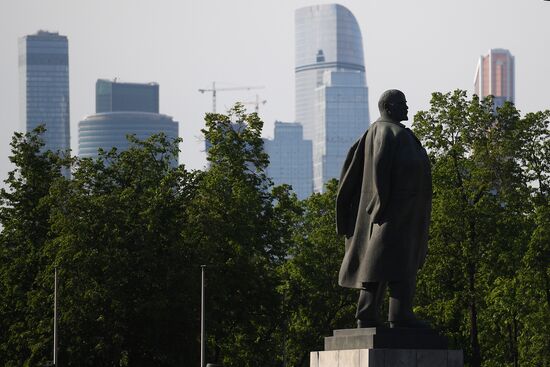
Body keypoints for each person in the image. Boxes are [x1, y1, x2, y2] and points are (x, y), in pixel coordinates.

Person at [336, 89, 432, 328]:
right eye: (402, 104)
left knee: (386, 261)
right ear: (389, 107)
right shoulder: (387, 131)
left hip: (400, 209)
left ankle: (375, 313)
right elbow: (380, 162)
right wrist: (381, 199)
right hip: (394, 209)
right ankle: (389, 314)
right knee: (390, 260)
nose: (407, 108)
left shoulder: (381, 131)